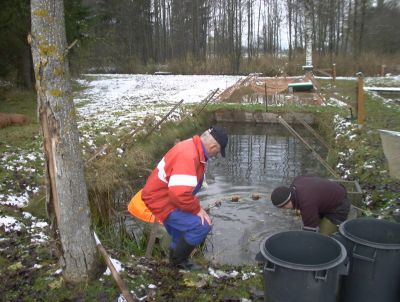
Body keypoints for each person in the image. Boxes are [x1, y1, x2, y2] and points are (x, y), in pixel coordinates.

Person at [141, 126, 228, 270]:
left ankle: (174, 263)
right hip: (162, 200)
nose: (215, 155)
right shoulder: (189, 155)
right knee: (202, 225)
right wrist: (196, 209)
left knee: (181, 231)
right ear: (213, 146)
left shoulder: (192, 147)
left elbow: (180, 190)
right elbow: (179, 194)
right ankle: (179, 262)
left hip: (166, 196)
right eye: (217, 152)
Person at [270, 175, 350, 235]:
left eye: (284, 207)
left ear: (288, 202)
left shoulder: (307, 204)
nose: (285, 209)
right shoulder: (296, 183)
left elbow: (310, 231)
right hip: (330, 195)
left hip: (339, 206)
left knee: (322, 238)